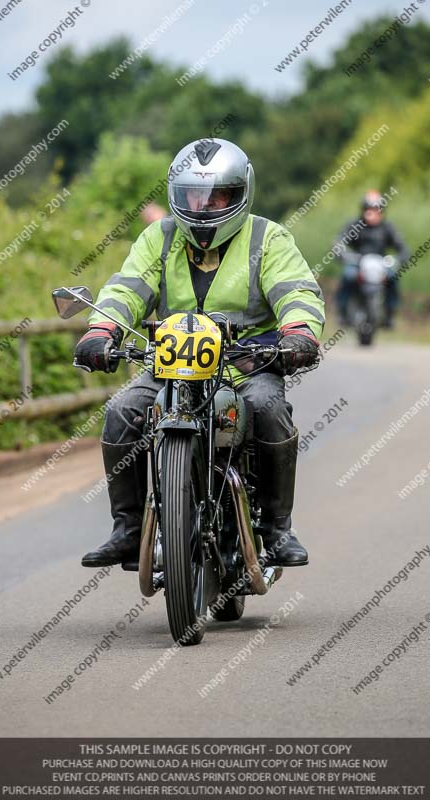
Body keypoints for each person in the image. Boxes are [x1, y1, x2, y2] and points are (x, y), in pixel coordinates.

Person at [74, 138, 325, 570]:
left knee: (268, 407)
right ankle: (129, 529)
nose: (204, 206)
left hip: (246, 364)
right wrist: (101, 330)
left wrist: (298, 334)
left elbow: (296, 291)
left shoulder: (269, 238)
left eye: (219, 196)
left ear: (241, 193)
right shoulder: (159, 236)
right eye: (193, 195)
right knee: (121, 410)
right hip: (172, 364)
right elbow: (127, 289)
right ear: (176, 195)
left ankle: (277, 528)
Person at [334, 190, 410, 328]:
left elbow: (402, 247)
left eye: (376, 209)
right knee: (347, 276)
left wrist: (399, 259)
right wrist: (343, 254)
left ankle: (390, 313)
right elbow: (339, 242)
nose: (372, 213)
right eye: (369, 209)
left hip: (380, 265)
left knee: (393, 277)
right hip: (357, 262)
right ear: (363, 210)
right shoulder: (354, 225)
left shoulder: (388, 228)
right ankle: (342, 312)